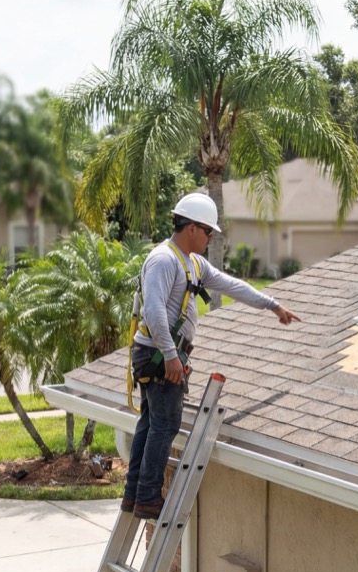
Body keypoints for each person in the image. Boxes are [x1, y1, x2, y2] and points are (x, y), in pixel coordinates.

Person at [122, 192, 301, 520]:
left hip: (161, 354)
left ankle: (134, 494)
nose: (209, 238)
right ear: (191, 227)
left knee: (151, 423)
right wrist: (172, 356)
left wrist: (272, 305)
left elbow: (232, 286)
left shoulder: (192, 263)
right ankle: (147, 496)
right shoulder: (164, 260)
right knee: (165, 424)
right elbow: (155, 311)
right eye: (208, 232)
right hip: (158, 355)